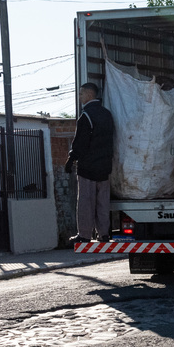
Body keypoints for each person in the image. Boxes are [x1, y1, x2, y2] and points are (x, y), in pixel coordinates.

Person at [65, 82, 114, 244]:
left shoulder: (86, 116)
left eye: (81, 94)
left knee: (86, 202)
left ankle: (84, 235)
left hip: (88, 168)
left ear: (89, 95)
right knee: (103, 203)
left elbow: (80, 143)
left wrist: (71, 159)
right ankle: (104, 234)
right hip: (105, 168)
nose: (79, 98)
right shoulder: (107, 115)